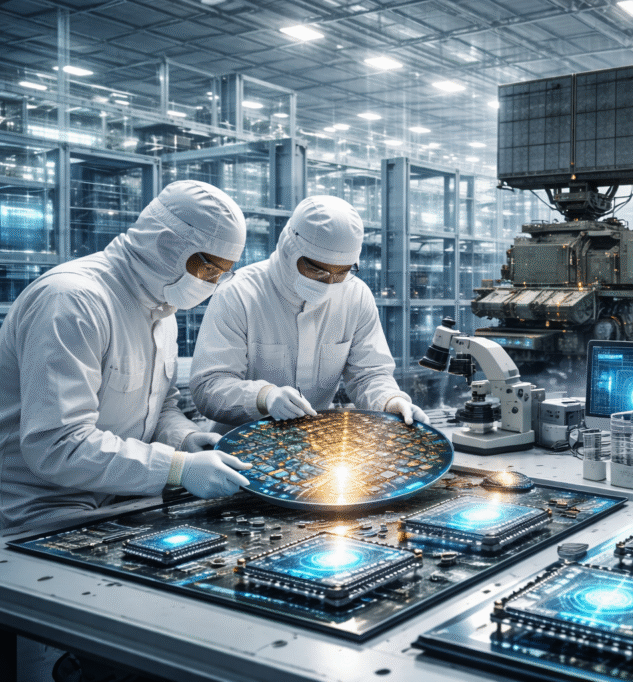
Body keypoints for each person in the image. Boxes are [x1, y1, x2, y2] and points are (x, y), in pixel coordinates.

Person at [0, 180, 253, 531]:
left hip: (121, 497)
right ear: (166, 244)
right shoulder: (72, 301)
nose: (212, 284)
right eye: (209, 270)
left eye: (222, 274)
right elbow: (57, 445)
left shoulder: (163, 308)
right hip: (38, 510)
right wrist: (176, 468)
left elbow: (159, 408)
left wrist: (184, 439)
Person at [189, 195, 427, 431]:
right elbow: (208, 388)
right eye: (317, 271)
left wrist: (390, 401)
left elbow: (368, 375)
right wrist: (263, 397)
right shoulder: (238, 294)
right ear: (288, 249)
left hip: (313, 440)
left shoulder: (355, 295)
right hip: (241, 440)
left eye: (341, 273)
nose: (328, 283)